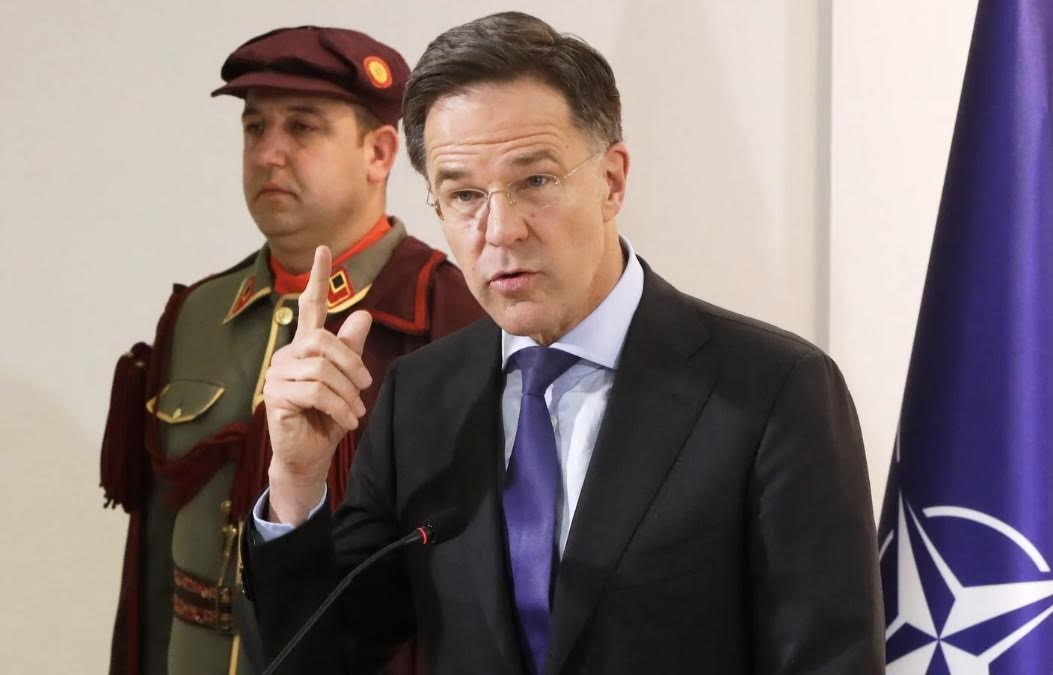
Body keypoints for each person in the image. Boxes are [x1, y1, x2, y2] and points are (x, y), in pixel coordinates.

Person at [242, 12, 885, 674]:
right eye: (463, 195)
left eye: (535, 182)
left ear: (611, 180)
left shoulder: (773, 390)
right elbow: (318, 659)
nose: (500, 230)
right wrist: (296, 480)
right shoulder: (420, 396)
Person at [98, 25, 483, 675]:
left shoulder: (448, 317)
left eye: (302, 127)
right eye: (255, 128)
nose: (268, 153)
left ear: (379, 152)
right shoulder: (196, 315)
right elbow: (154, 557)